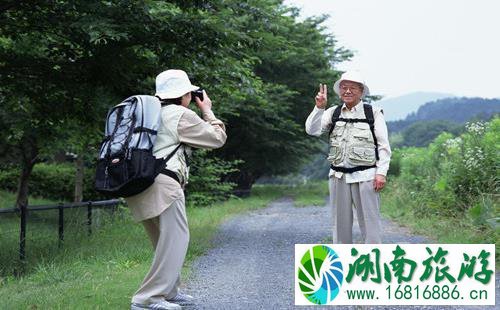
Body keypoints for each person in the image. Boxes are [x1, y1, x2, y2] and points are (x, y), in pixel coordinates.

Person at [126, 69, 227, 310]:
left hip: (138, 182)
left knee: (164, 240)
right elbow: (217, 138)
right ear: (184, 94)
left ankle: (169, 291)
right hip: (164, 183)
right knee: (177, 239)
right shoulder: (181, 115)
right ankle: (148, 298)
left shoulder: (148, 113)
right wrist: (207, 111)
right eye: (191, 93)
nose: (192, 97)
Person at [305, 71, 391, 244]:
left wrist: (381, 173)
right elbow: (312, 130)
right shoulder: (332, 113)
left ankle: (372, 264)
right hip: (338, 177)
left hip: (366, 177)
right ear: (339, 91)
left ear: (361, 91)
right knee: (339, 225)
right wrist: (319, 107)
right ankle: (343, 265)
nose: (348, 91)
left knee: (370, 225)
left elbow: (383, 146)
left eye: (352, 88)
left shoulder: (372, 113)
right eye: (344, 88)